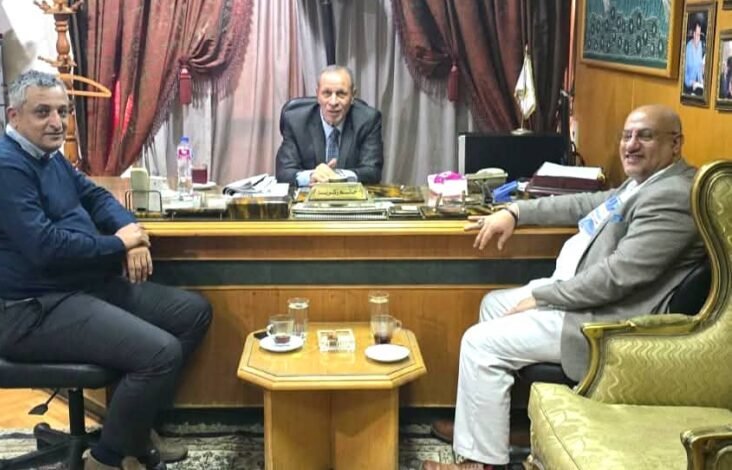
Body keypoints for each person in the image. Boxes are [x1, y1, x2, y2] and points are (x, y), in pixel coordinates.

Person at [422, 104, 705, 470]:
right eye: (627, 136)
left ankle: (480, 463)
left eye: (645, 136)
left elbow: (616, 279)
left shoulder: (673, 196)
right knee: (493, 304)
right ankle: (503, 428)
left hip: (606, 320)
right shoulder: (645, 183)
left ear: (675, 144)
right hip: (580, 297)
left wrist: (543, 297)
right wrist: (516, 211)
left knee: (480, 343)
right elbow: (585, 203)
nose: (631, 145)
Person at [0, 70, 212, 470]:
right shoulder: (2, 168)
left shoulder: (48, 157)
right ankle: (106, 459)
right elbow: (46, 249)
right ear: (14, 116)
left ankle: (130, 429)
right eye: (42, 112)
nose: (56, 122)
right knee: (160, 353)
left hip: (73, 288)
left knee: (191, 313)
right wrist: (119, 245)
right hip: (29, 310)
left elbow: (96, 196)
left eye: (62, 111)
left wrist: (130, 233)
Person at [275, 65, 383, 186]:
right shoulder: (296, 121)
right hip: (308, 195)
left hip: (350, 196)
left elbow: (372, 171)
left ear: (353, 96)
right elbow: (284, 172)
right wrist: (311, 176)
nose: (333, 102)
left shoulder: (368, 120)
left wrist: (338, 177)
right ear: (317, 95)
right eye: (327, 93)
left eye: (341, 94)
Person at [684, 21, 704, 94]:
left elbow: (699, 67)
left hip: (697, 85)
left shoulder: (700, 45)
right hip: (688, 86)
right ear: (693, 34)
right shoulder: (688, 48)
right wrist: (691, 82)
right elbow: (684, 71)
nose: (699, 37)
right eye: (697, 34)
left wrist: (701, 80)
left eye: (700, 34)